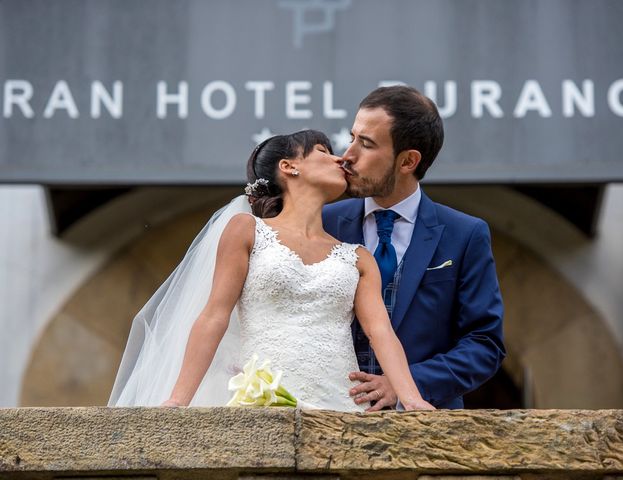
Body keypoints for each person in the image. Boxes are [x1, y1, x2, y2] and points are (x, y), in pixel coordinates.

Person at [109, 129, 435, 411]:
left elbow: (381, 332)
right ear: (289, 166)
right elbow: (214, 316)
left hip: (341, 405)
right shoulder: (246, 230)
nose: (341, 160)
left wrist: (412, 399)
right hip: (263, 402)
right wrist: (178, 400)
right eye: (324, 151)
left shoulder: (359, 258)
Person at [323, 86, 506, 411]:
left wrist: (406, 382)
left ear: (408, 161)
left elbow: (484, 344)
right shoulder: (322, 223)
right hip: (326, 414)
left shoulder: (465, 235)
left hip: (422, 432)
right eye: (352, 137)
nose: (347, 155)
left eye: (365, 144)